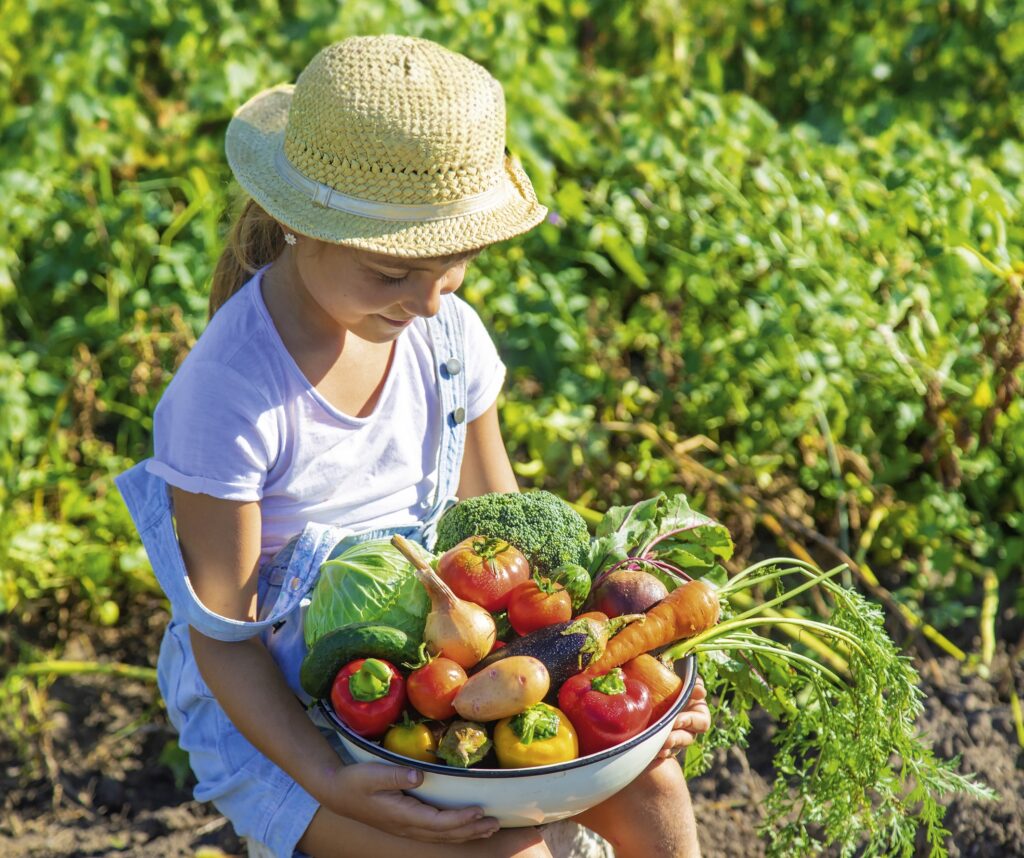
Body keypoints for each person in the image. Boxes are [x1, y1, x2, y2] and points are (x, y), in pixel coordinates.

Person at [116, 34, 710, 858]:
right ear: (299, 226)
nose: (430, 303)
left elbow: (511, 552)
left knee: (655, 790)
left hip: (438, 684)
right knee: (506, 853)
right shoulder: (229, 397)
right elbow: (226, 643)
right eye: (393, 274)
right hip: (288, 727)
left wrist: (640, 706)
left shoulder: (447, 339)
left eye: (454, 265)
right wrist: (328, 783)